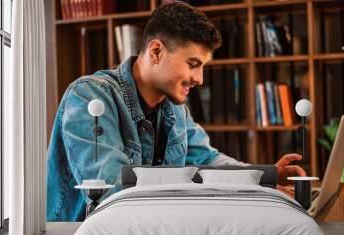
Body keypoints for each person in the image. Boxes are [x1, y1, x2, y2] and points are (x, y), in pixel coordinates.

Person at [47, 2, 305, 222]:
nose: (200, 79)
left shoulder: (175, 108)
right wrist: (204, 195)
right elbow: (112, 190)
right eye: (193, 64)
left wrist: (266, 176)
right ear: (156, 51)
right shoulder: (89, 96)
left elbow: (207, 160)